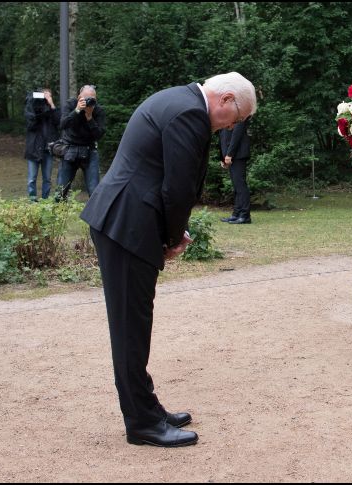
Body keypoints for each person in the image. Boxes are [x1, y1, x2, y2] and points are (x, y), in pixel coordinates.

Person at [80, 72, 257, 447]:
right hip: (127, 222)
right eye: (237, 118)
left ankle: (147, 407)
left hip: (126, 218)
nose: (232, 126)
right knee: (131, 325)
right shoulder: (190, 113)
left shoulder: (179, 100)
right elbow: (176, 188)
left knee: (135, 320)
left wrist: (172, 232)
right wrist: (175, 238)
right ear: (226, 99)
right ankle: (142, 423)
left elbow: (170, 180)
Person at [56, 85, 106, 200]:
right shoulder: (71, 104)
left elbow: (99, 135)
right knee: (60, 191)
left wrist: (89, 117)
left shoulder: (98, 110)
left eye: (92, 99)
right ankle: (59, 216)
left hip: (89, 151)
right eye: (86, 98)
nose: (89, 101)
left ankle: (94, 217)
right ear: (79, 97)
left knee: (94, 192)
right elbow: (63, 124)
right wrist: (77, 110)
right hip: (70, 150)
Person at [23, 88, 60, 201]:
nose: (44, 98)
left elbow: (59, 121)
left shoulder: (51, 111)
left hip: (47, 149)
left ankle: (45, 201)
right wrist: (36, 108)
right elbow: (30, 124)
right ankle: (32, 201)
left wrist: (51, 103)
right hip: (33, 148)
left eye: (47, 96)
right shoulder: (31, 107)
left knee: (47, 178)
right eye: (42, 95)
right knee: (31, 179)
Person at [219, 118, 252, 224]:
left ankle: (245, 215)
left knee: (240, 185)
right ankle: (236, 214)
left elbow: (237, 135)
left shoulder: (240, 113)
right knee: (236, 186)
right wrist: (223, 157)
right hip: (230, 155)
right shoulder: (228, 113)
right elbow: (223, 136)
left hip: (238, 154)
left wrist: (230, 154)